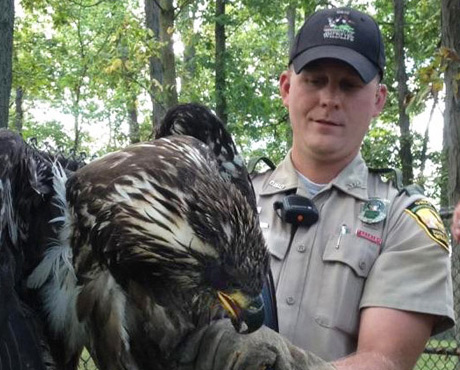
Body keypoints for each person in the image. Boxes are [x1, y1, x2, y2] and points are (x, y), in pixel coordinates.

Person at [179, 6, 454, 370]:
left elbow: (384, 360)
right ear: (286, 87)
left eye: (349, 84)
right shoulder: (222, 201)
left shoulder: (404, 222)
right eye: (315, 79)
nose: (329, 98)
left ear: (378, 100)